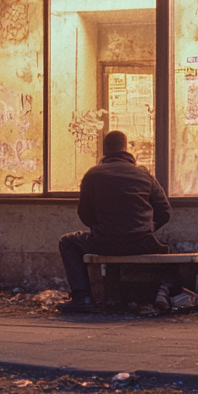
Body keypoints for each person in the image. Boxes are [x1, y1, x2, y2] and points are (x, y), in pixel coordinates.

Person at [57, 130, 173, 313]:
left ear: (105, 151)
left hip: (105, 241)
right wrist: (145, 228)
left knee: (67, 242)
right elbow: (165, 212)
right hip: (142, 242)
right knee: (168, 251)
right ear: (126, 149)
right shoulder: (144, 175)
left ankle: (83, 297)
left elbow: (84, 213)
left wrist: (103, 228)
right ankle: (161, 294)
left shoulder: (92, 174)